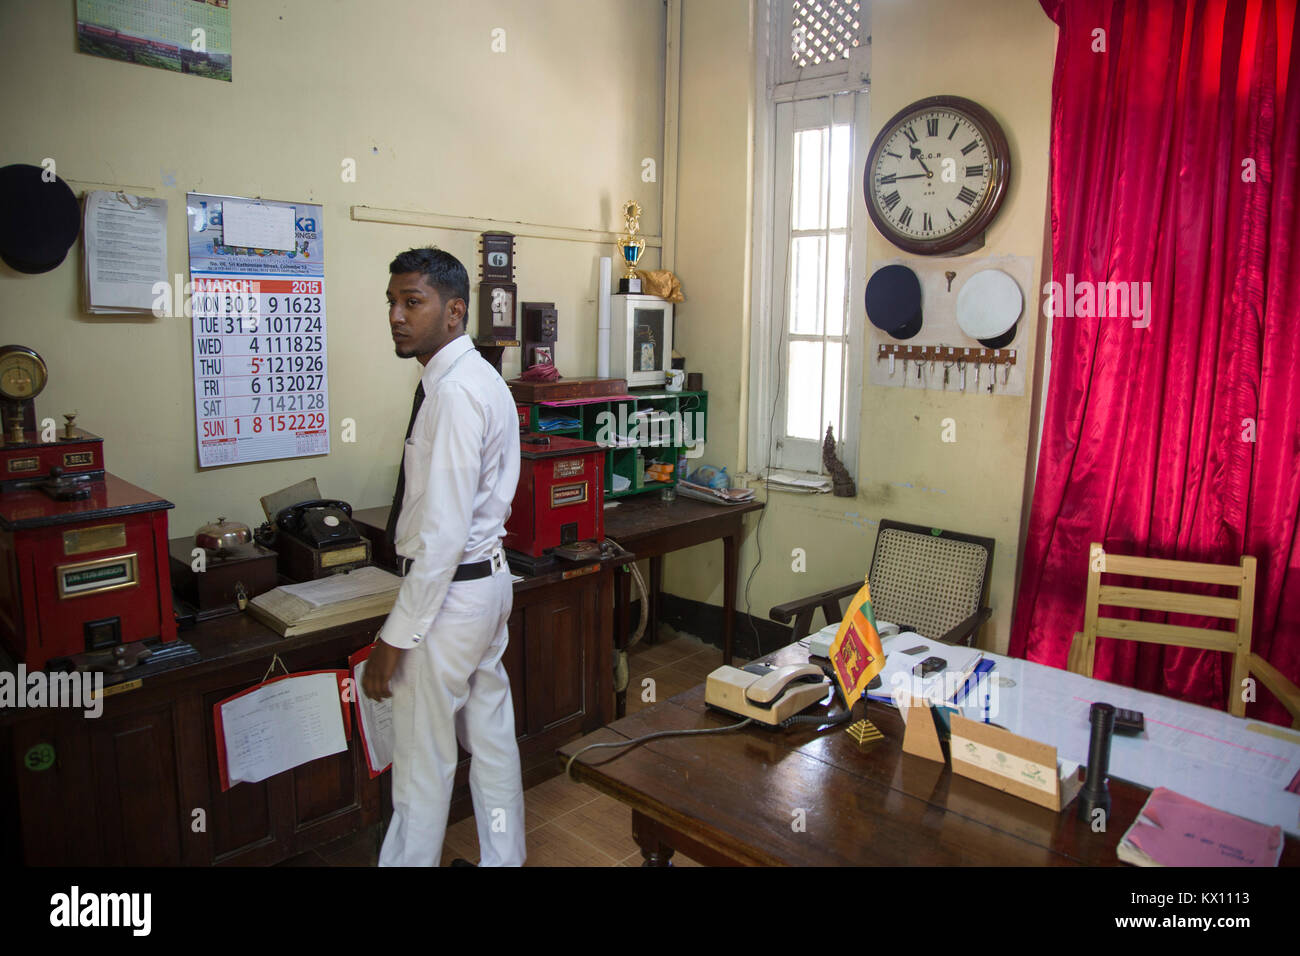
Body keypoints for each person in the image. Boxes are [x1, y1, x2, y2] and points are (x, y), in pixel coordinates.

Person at [362, 247, 525, 867]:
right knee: (490, 741)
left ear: (454, 312)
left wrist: (394, 638)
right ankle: (504, 860)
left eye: (413, 302)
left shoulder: (456, 393)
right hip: (483, 589)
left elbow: (443, 534)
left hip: (449, 599)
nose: (397, 317)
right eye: (392, 303)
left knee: (422, 768)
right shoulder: (478, 379)